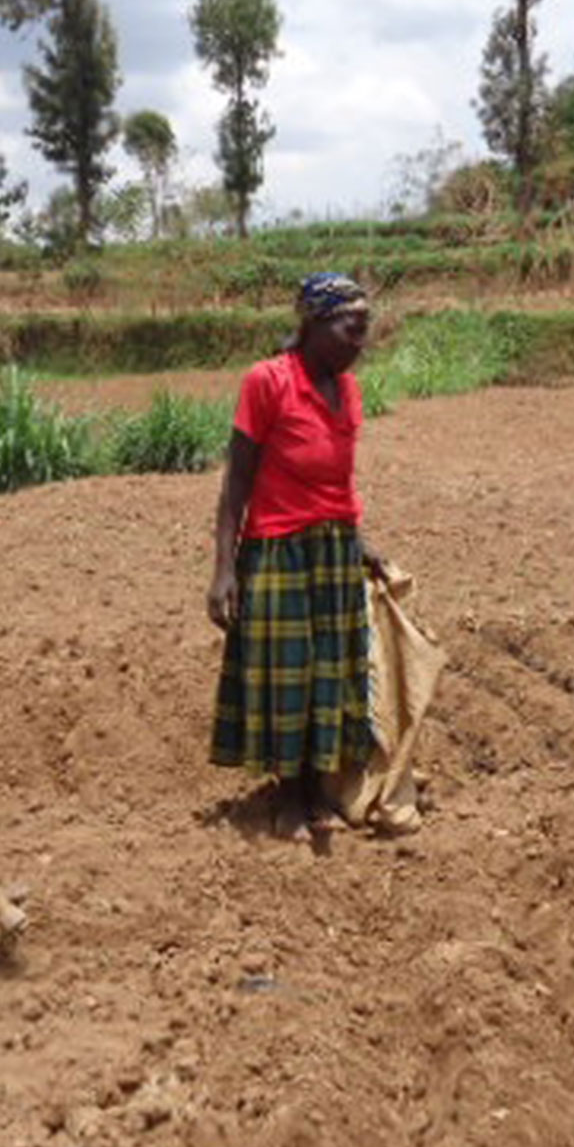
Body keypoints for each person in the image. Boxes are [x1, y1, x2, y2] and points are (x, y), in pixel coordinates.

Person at [208, 273, 384, 839]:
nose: (360, 342)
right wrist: (224, 569)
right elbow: (237, 479)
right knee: (288, 677)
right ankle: (288, 799)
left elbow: (339, 480)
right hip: (277, 548)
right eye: (350, 329)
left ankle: (318, 793)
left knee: (331, 672)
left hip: (333, 548)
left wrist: (361, 545)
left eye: (364, 331)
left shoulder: (349, 391)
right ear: (312, 325)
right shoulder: (267, 382)